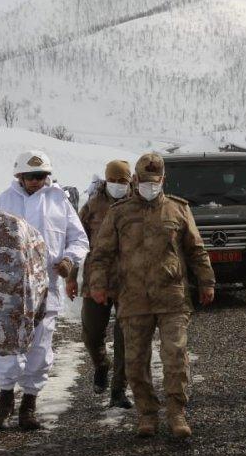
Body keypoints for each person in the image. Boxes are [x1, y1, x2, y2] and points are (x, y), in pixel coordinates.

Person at [88, 152, 215, 439]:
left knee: (175, 356)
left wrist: (207, 282)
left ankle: (176, 412)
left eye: (155, 181)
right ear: (135, 180)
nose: (149, 186)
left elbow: (196, 249)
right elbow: (102, 254)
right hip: (133, 298)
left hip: (172, 297)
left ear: (163, 180)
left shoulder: (178, 209)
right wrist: (97, 284)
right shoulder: (119, 213)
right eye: (144, 181)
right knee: (135, 361)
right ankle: (147, 414)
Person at [0, 150, 89, 430]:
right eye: (30, 177)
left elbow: (79, 239)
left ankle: (29, 405)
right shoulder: (5, 200)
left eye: (41, 176)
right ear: (19, 176)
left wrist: (69, 259)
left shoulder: (59, 202)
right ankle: (5, 399)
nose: (35, 182)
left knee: (40, 348)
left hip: (47, 286)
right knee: (8, 346)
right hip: (12, 288)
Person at [76, 159, 134, 409]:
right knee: (91, 333)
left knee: (126, 339)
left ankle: (119, 390)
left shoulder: (137, 203)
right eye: (114, 180)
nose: (119, 185)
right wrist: (71, 278)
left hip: (128, 282)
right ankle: (101, 365)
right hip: (96, 279)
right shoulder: (92, 205)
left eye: (123, 181)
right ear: (105, 180)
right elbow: (77, 240)